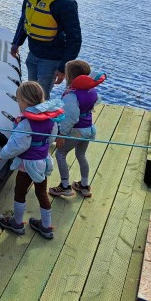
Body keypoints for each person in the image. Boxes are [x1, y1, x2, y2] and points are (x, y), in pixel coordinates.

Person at [0, 81, 64, 240]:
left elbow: (16, 146)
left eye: (18, 100)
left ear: (25, 102)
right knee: (42, 193)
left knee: (20, 192)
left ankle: (17, 223)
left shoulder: (25, 123)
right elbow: (51, 138)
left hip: (27, 165)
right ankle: (46, 227)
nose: (18, 103)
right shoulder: (50, 119)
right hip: (42, 161)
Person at [10, 0, 82, 99]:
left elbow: (75, 38)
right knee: (31, 91)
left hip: (51, 58)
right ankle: (28, 119)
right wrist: (17, 42)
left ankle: (41, 119)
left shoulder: (65, 3)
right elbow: (25, 18)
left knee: (41, 96)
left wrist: (62, 68)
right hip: (33, 54)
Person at [48, 60, 106, 199]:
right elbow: (98, 100)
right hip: (89, 129)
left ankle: (65, 186)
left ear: (71, 78)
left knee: (60, 154)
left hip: (77, 130)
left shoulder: (71, 95)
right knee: (81, 155)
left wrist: (61, 134)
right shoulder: (92, 90)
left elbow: (71, 118)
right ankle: (84, 185)